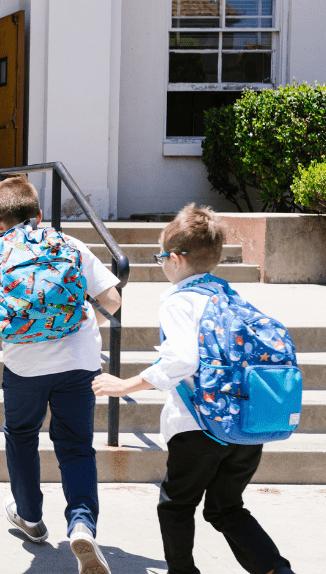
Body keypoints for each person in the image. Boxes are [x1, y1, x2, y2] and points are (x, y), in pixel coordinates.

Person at [93, 204, 297, 574]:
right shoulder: (231, 298)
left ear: (174, 258)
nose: (161, 266)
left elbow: (182, 359)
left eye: (160, 258)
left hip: (198, 426)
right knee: (225, 507)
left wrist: (126, 384)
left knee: (176, 505)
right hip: (246, 426)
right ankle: (276, 570)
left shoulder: (179, 300)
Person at [0, 176, 120, 574]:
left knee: (22, 436)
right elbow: (112, 298)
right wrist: (85, 324)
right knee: (77, 447)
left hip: (25, 365)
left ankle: (29, 517)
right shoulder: (69, 244)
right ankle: (81, 524)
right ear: (40, 214)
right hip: (79, 362)